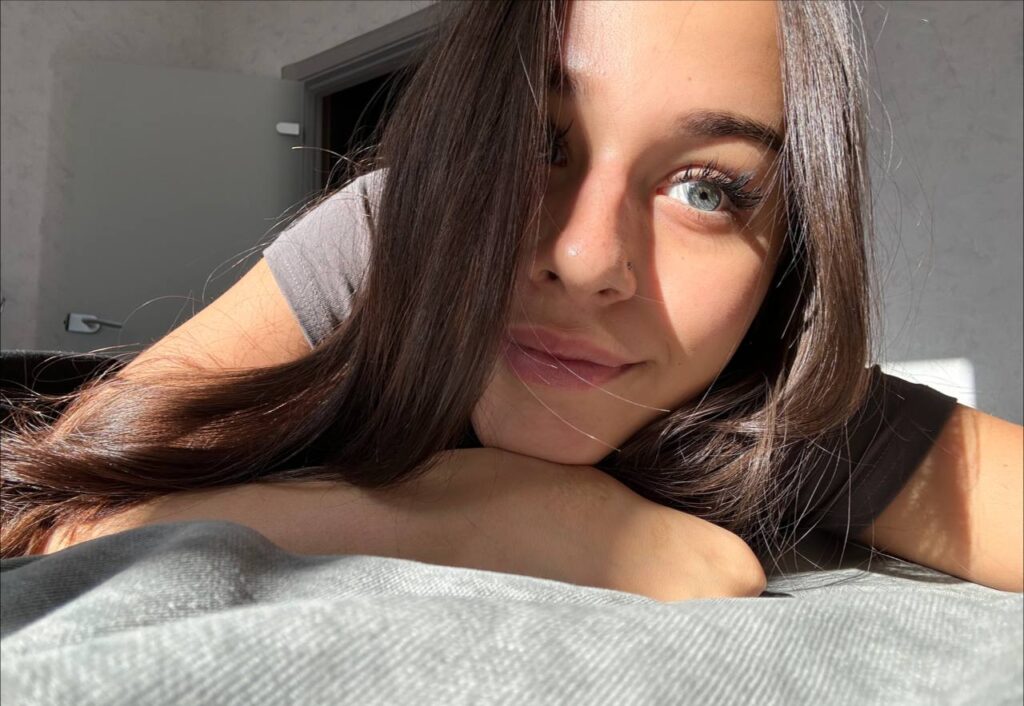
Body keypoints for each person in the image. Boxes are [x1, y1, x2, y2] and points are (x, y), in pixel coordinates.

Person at [1, 0, 1021, 600]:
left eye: (708, 189)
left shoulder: (772, 394)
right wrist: (485, 518)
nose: (584, 258)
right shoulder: (384, 243)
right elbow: (49, 519)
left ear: (785, 258)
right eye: (535, 142)